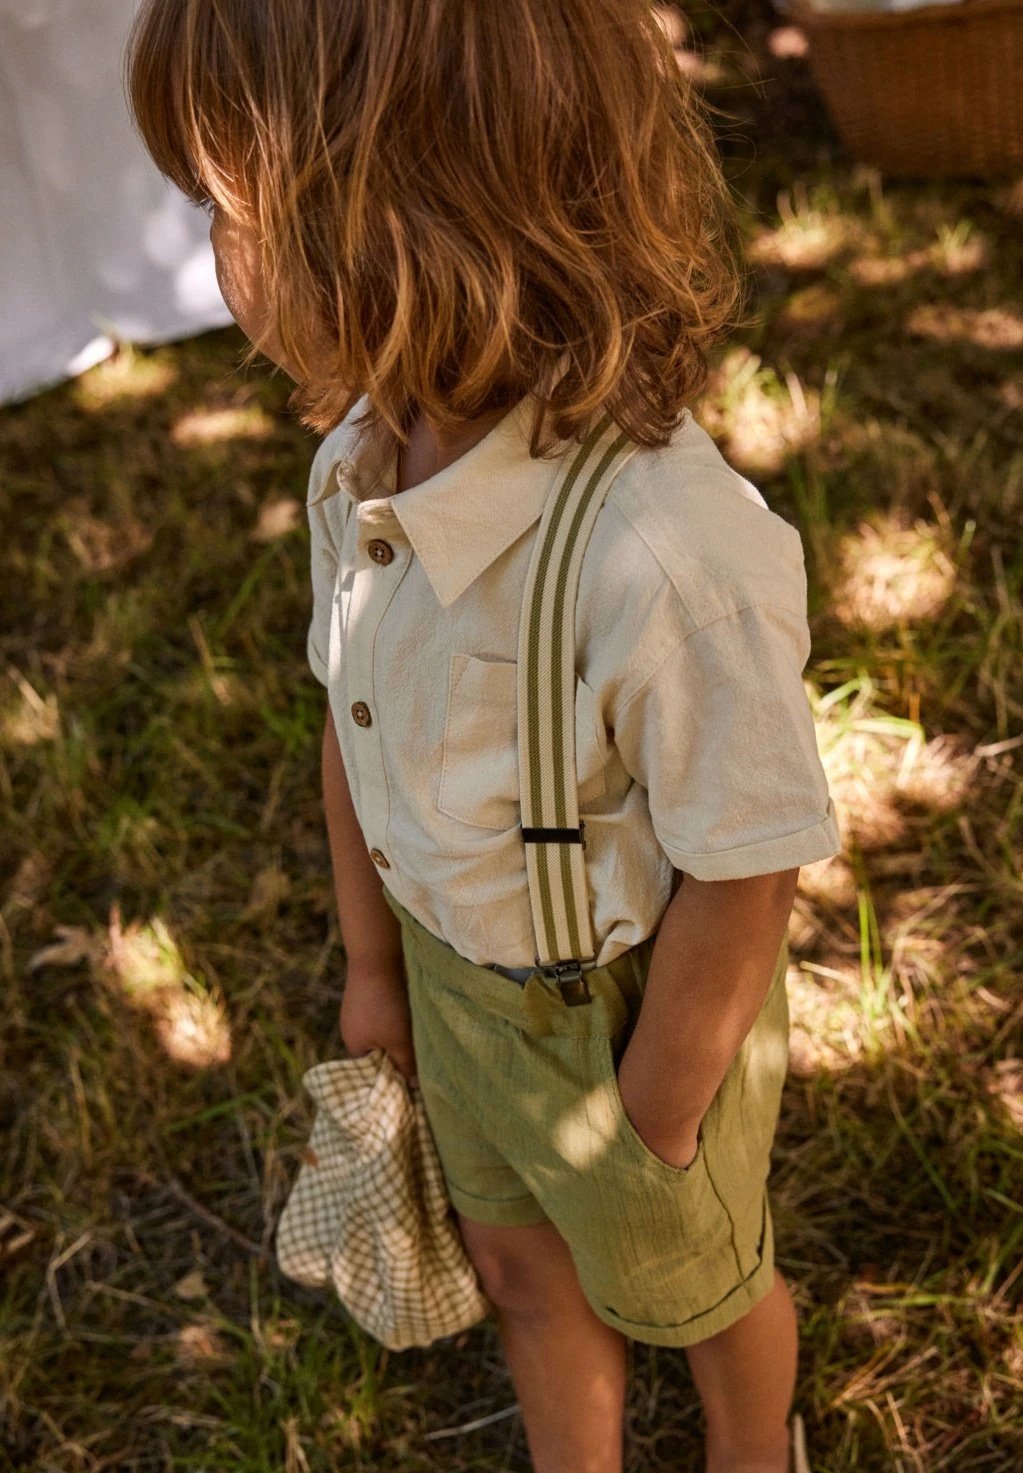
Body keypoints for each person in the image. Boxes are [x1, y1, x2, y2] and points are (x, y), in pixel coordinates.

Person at [127, 3, 841, 1469]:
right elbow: (354, 719)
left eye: (229, 208)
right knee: (520, 1265)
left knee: (701, 1288)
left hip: (627, 1016)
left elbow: (748, 857)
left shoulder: (663, 556)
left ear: (394, 220)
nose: (210, 253)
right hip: (459, 994)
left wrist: (655, 1112)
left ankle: (751, 1447)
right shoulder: (361, 470)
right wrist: (374, 968)